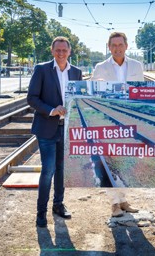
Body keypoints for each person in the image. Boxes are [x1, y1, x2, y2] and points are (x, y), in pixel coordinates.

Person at [27, 36, 82, 227]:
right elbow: (32, 98)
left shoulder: (76, 72)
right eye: (57, 50)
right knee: (48, 170)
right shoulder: (41, 69)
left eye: (64, 50)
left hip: (66, 129)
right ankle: (40, 213)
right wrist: (52, 110)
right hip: (47, 128)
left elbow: (79, 99)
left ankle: (58, 205)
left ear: (69, 52)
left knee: (62, 170)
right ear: (52, 51)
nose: (60, 53)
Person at [91, 32, 143, 217]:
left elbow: (141, 91)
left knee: (126, 162)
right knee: (107, 162)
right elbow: (93, 93)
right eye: (113, 45)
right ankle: (114, 203)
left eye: (120, 44)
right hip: (108, 121)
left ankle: (124, 200)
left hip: (128, 121)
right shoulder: (101, 67)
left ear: (126, 46)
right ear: (109, 47)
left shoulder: (137, 65)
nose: (117, 48)